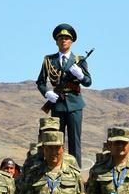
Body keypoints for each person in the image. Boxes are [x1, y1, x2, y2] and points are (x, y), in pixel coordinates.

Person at [35, 23, 91, 166]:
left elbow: (88, 82)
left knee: (75, 142)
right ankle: (56, 170)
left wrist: (81, 76)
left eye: (67, 38)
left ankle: (75, 172)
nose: (64, 40)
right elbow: (40, 81)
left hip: (74, 105)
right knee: (55, 141)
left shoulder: (78, 60)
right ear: (56, 41)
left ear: (71, 41)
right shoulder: (49, 60)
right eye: (61, 38)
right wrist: (47, 93)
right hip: (57, 105)